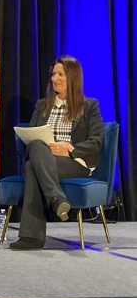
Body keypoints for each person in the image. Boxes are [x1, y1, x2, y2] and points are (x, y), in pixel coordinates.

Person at [10, 55, 104, 250]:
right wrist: (46, 147)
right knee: (35, 151)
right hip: (44, 157)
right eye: (53, 74)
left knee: (32, 166)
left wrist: (68, 149)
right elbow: (32, 136)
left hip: (75, 162)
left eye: (61, 74)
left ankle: (31, 237)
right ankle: (56, 199)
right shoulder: (42, 105)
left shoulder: (89, 106)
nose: (55, 78)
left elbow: (96, 142)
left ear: (73, 78)